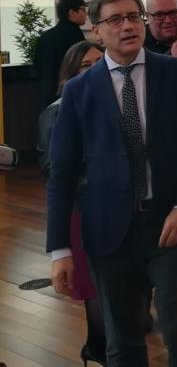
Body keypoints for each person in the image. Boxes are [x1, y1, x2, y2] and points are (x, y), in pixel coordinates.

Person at [46, 0, 177, 367]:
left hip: (172, 225)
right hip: (109, 232)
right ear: (96, 31)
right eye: (115, 19)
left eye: (134, 16)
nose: (128, 25)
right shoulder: (78, 91)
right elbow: (62, 173)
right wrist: (59, 250)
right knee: (122, 340)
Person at [38, 40, 106, 366]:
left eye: (99, 62)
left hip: (110, 208)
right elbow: (55, 170)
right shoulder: (57, 111)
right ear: (71, 73)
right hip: (81, 210)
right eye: (86, 65)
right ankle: (100, 347)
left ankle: (101, 344)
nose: (95, 70)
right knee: (92, 286)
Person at [35, 0, 87, 107]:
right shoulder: (75, 34)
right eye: (83, 10)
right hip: (70, 92)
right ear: (72, 12)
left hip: (47, 93)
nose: (85, 14)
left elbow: (37, 65)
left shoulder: (45, 36)